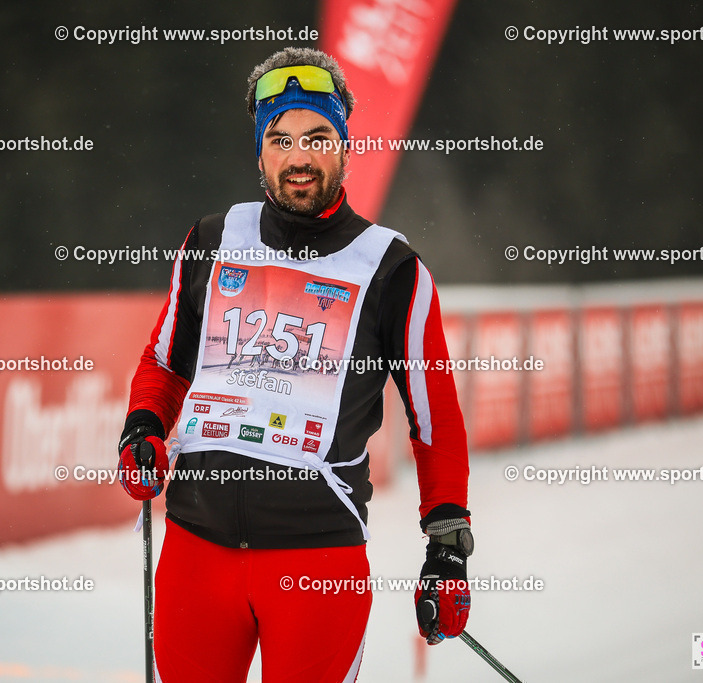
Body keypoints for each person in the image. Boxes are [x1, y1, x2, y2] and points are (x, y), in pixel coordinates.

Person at [118, 46, 473, 682]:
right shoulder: (212, 240)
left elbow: (434, 418)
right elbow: (165, 362)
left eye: (317, 138)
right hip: (197, 551)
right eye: (279, 140)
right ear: (260, 153)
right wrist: (143, 426)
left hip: (317, 563)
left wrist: (447, 547)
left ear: (344, 146)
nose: (298, 157)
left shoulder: (392, 270)